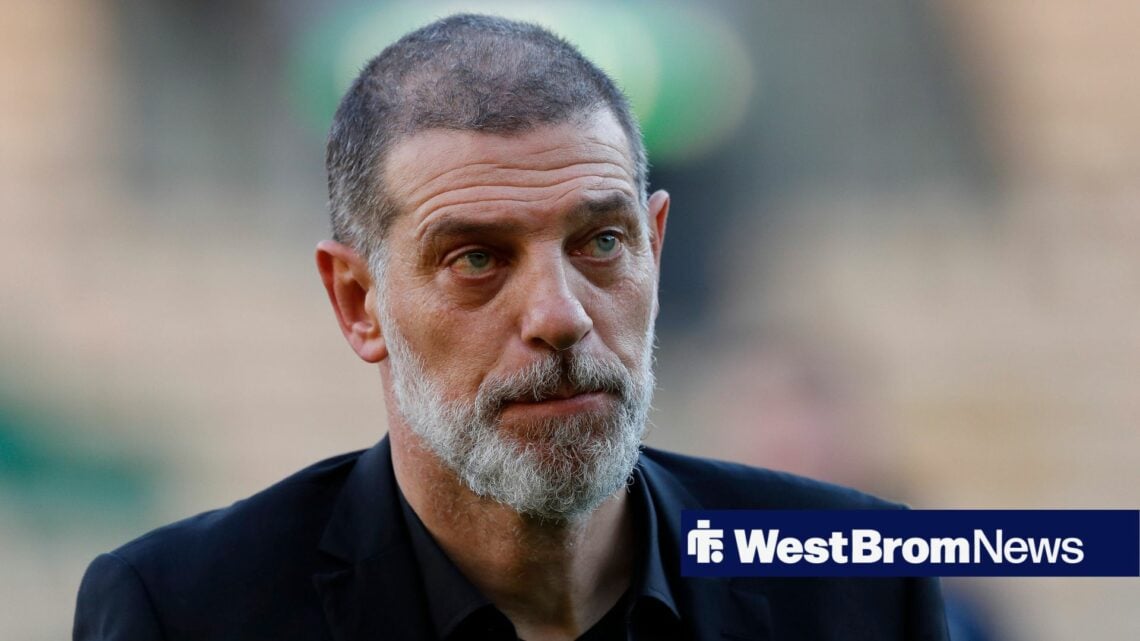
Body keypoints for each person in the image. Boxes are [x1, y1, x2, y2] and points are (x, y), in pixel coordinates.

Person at [73, 14, 948, 641]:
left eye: (602, 242)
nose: (560, 316)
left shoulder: (857, 583)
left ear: (656, 243)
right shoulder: (185, 611)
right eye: (478, 259)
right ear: (357, 300)